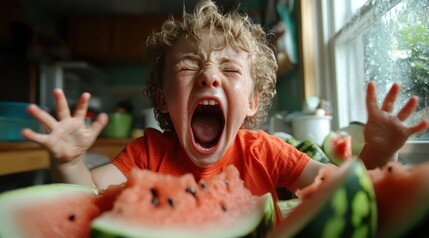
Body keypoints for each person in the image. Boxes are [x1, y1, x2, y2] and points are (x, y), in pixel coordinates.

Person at [22, 0, 428, 223]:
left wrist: (378, 153)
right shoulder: (147, 152)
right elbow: (86, 198)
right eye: (187, 66)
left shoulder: (266, 152)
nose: (209, 76)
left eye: (230, 68)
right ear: (163, 98)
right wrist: (71, 159)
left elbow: (340, 190)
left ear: (252, 101)